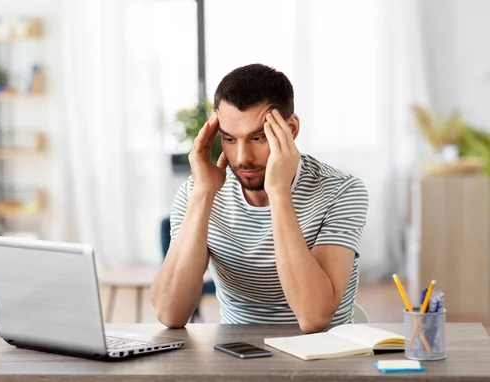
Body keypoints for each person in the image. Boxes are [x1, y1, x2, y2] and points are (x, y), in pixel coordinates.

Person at [150, 64, 368, 333]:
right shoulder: (198, 191)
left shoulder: (341, 191)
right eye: (229, 139)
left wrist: (278, 193)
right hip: (236, 356)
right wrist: (203, 195)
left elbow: (314, 317)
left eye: (257, 137)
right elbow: (170, 313)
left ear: (291, 129)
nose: (242, 157)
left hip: (322, 355)